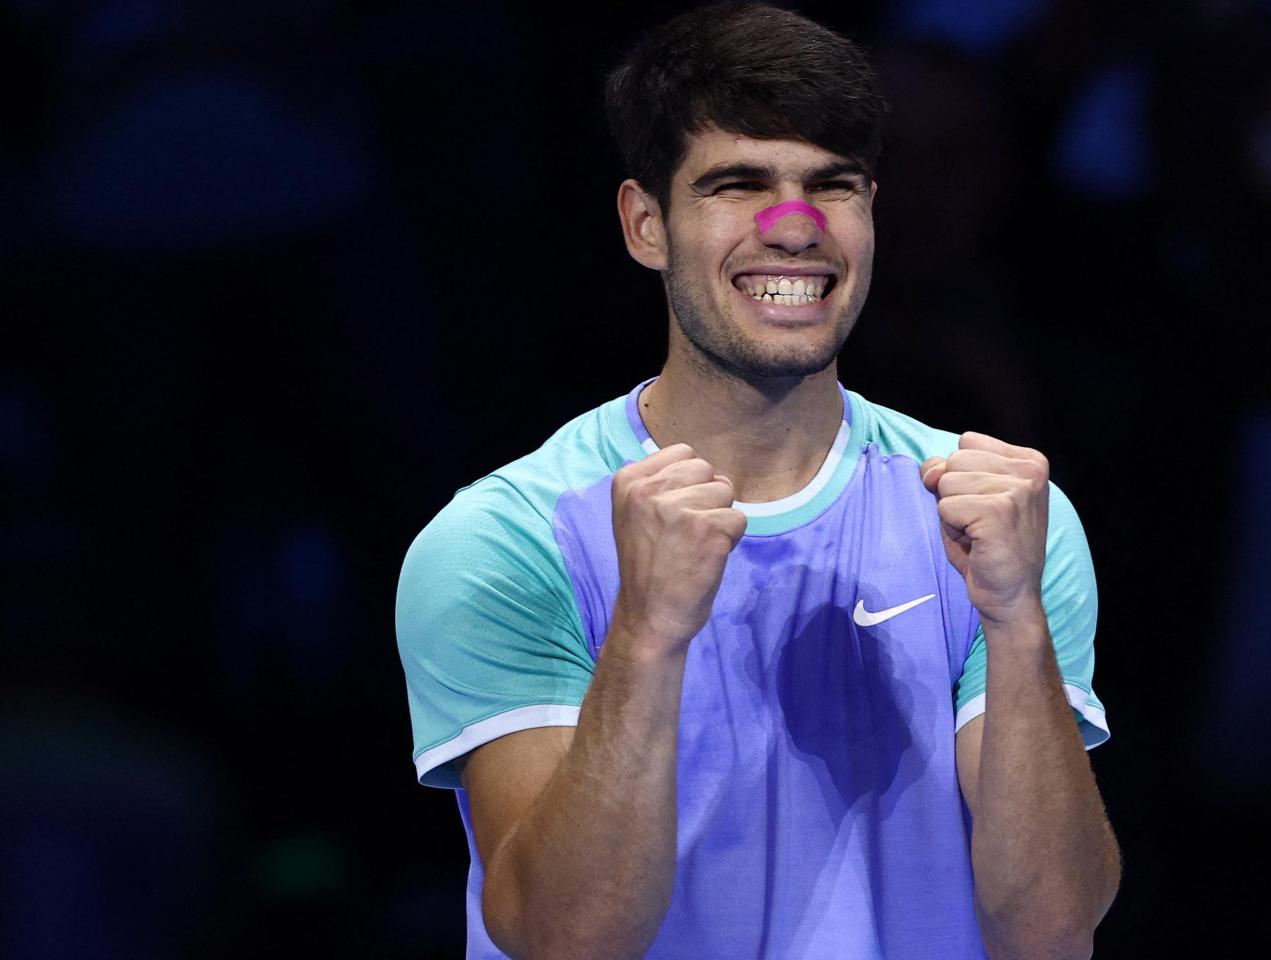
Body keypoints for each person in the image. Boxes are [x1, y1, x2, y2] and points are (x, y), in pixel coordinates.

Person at [395, 4, 1120, 957]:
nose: (793, 228)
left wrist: (1017, 620)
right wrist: (647, 635)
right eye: (739, 185)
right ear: (645, 224)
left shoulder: (996, 525)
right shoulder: (506, 542)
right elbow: (564, 938)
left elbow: (1053, 929)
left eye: (834, 186)